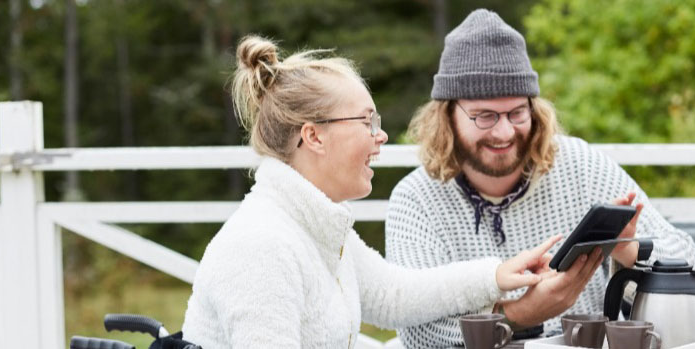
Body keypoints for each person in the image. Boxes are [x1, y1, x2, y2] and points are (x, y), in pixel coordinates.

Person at [180, 35, 568, 348]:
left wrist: (498, 274)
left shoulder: (316, 227)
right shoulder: (262, 247)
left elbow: (395, 295)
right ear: (313, 136)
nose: (380, 135)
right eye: (367, 121)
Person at [385, 9, 695, 348]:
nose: (504, 132)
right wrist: (522, 314)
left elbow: (687, 261)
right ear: (447, 115)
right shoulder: (415, 198)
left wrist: (628, 250)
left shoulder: (581, 165)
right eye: (485, 116)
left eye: (517, 112)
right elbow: (416, 333)